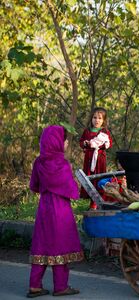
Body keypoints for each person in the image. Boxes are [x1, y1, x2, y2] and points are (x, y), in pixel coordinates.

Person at [27, 125, 83, 298]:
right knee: (61, 244)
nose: (66, 143)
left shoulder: (39, 162)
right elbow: (71, 189)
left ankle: (35, 286)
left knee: (42, 244)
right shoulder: (61, 163)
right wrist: (76, 190)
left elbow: (34, 185)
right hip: (60, 209)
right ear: (57, 142)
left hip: (44, 208)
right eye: (64, 140)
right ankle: (60, 286)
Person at [79, 107, 113, 209]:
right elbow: (81, 141)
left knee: (99, 178)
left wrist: (99, 144)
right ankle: (91, 200)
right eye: (94, 118)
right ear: (91, 119)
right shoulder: (87, 131)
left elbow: (109, 143)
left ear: (104, 120)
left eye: (99, 118)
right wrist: (85, 143)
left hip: (99, 159)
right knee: (89, 178)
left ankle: (98, 202)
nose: (97, 120)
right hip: (89, 159)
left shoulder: (104, 131)